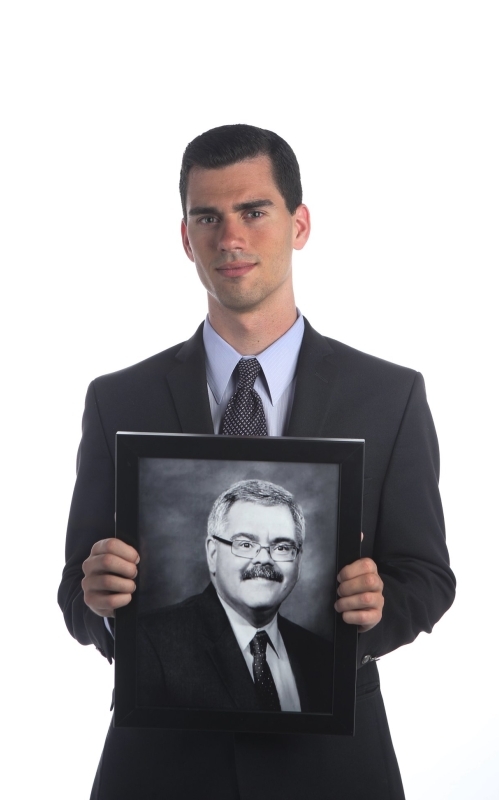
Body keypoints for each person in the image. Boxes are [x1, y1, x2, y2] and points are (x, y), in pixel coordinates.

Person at [59, 124, 456, 800]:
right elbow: (76, 591)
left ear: (299, 224)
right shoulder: (117, 398)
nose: (230, 239)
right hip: (159, 764)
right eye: (206, 217)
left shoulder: (388, 396)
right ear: (185, 237)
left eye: (253, 211)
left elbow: (427, 576)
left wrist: (376, 608)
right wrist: (97, 602)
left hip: (332, 764)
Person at [137, 479, 333, 713]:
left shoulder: (322, 656)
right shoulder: (152, 641)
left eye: (281, 547)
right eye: (245, 544)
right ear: (212, 553)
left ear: (299, 560)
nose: (264, 559)